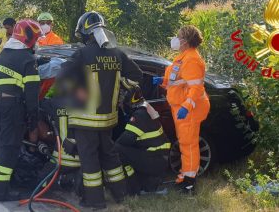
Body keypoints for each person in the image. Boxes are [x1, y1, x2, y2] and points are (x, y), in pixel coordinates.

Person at [59, 11, 143, 209]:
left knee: (90, 162)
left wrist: (75, 91)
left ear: (86, 34)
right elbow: (137, 76)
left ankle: (95, 201)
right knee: (109, 156)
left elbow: (62, 80)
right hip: (107, 120)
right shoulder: (117, 54)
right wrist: (122, 84)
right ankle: (120, 194)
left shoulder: (82, 54)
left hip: (85, 120)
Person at [0, 19, 43, 201]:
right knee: (9, 147)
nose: (35, 42)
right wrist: (33, 122)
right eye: (35, 39)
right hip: (9, 106)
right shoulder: (28, 59)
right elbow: (32, 96)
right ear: (27, 38)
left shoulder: (5, 54)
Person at [153, 25, 210, 193]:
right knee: (185, 144)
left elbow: (196, 88)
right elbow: (177, 80)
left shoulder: (192, 59)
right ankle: (184, 177)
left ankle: (189, 183)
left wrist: (186, 107)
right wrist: (162, 80)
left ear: (185, 41)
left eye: (178, 36)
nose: (175, 39)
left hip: (188, 109)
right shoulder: (183, 57)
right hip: (179, 107)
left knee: (188, 144)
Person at [115, 79, 170, 195]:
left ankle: (132, 188)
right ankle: (137, 184)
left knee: (118, 150)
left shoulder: (140, 115)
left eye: (122, 98)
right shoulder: (145, 108)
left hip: (155, 160)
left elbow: (125, 140)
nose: (120, 102)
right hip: (158, 158)